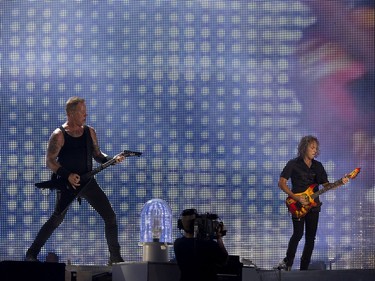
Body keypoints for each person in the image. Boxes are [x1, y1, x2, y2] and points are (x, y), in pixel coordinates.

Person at [25, 97, 125, 264]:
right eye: (81, 111)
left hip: (87, 182)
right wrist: (67, 174)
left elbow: (98, 155)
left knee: (110, 217)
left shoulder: (89, 131)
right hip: (68, 184)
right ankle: (31, 253)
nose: (85, 114)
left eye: (85, 110)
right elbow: (50, 161)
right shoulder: (59, 135)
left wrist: (112, 159)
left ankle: (115, 258)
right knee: (56, 219)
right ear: (70, 114)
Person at [276, 135, 349, 270]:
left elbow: (327, 185)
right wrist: (296, 197)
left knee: (311, 238)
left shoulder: (318, 166)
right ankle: (288, 263)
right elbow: (281, 183)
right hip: (297, 205)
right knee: (298, 234)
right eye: (312, 147)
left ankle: (304, 269)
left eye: (316, 148)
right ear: (304, 148)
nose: (315, 150)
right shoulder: (293, 163)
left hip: (314, 206)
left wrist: (340, 182)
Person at [174, 209, 228, 281]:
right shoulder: (209, 245)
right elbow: (224, 260)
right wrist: (219, 238)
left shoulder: (177, 243)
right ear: (197, 224)